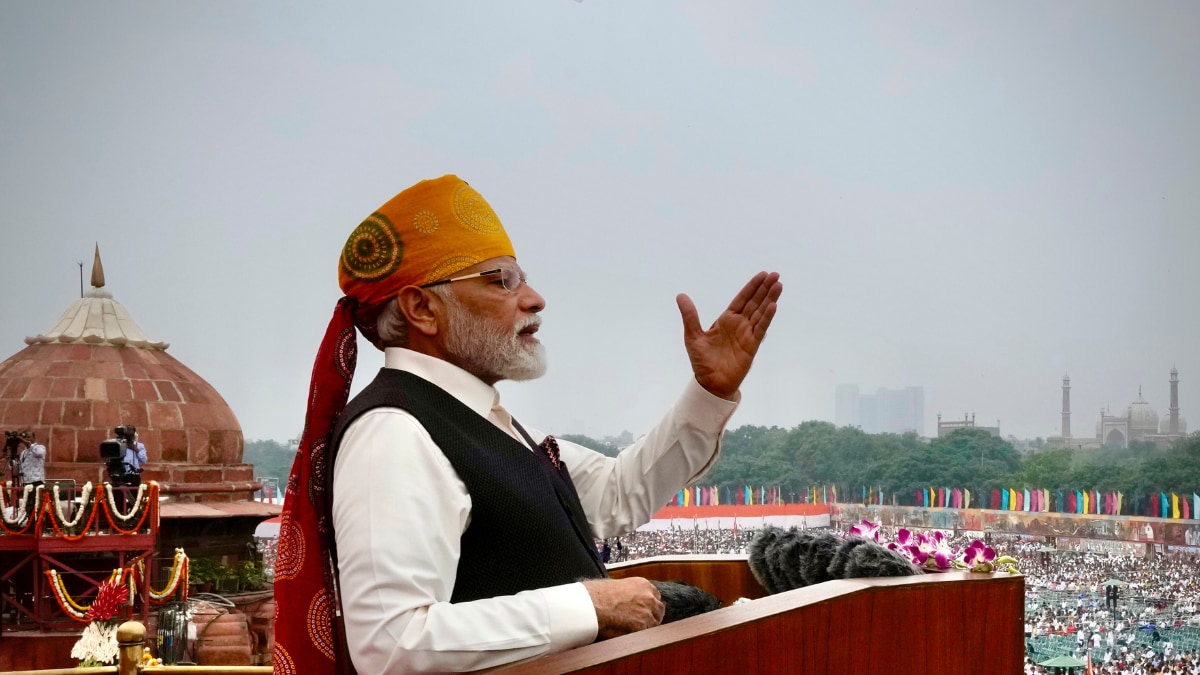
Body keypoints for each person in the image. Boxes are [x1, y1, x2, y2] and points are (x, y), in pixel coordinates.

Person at [273, 175, 782, 675]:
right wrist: (588, 606)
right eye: (501, 281)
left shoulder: (481, 420)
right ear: (422, 307)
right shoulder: (393, 432)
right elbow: (392, 645)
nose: (535, 298)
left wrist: (710, 392)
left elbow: (616, 493)